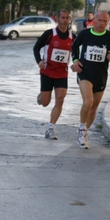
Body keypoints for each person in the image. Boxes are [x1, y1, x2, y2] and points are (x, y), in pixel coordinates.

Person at [70, 10, 110, 149]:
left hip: (101, 76)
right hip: (84, 73)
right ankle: (81, 130)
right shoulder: (85, 34)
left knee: (93, 109)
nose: (102, 23)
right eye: (99, 20)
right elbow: (74, 46)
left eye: (105, 21)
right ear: (94, 20)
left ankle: (84, 131)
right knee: (88, 102)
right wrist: (76, 60)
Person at [33, 9, 76, 140]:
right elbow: (36, 48)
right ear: (57, 19)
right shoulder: (49, 34)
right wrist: (39, 61)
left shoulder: (72, 37)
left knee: (60, 100)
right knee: (45, 102)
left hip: (62, 73)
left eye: (67, 18)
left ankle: (50, 128)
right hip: (47, 71)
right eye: (62, 17)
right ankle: (42, 96)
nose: (64, 20)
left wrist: (76, 62)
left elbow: (77, 52)